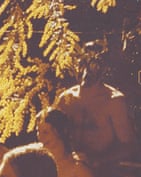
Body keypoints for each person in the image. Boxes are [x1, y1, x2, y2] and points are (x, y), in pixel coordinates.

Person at [55, 40, 137, 168]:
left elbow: (128, 145)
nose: (86, 72)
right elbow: (53, 135)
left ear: (103, 69)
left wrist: (97, 161)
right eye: (83, 63)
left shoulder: (113, 101)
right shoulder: (66, 99)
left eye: (94, 65)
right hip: (69, 167)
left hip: (102, 169)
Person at [37, 109, 111, 177]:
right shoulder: (42, 162)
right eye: (38, 131)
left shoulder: (77, 167)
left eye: (45, 132)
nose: (40, 137)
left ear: (60, 132)